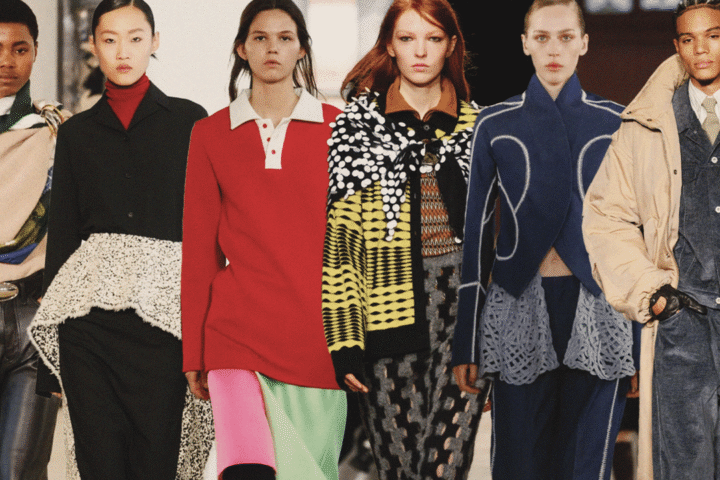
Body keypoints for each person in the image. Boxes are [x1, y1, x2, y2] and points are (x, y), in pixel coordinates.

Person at [452, 1, 636, 478]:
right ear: (525, 43)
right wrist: (465, 345)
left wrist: (638, 342)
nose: (554, 49)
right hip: (518, 302)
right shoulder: (494, 124)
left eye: (566, 37)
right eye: (542, 37)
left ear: (584, 43)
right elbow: (476, 238)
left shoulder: (618, 121)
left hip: (598, 305)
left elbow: (634, 236)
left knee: (586, 465)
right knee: (518, 464)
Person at [28, 1, 212, 479]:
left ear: (155, 42)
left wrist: (206, 336)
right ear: (93, 46)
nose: (123, 51)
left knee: (158, 464)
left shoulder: (191, 121)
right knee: (100, 467)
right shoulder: (76, 134)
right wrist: (51, 366)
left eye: (135, 38)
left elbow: (206, 229)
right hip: (88, 328)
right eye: (109, 40)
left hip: (164, 328)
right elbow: (63, 237)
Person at [322, 1, 487, 478]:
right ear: (390, 46)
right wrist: (345, 340)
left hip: (465, 317)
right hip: (387, 314)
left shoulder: (481, 127)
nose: (420, 51)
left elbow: (497, 237)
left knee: (446, 468)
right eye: (408, 38)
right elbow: (343, 245)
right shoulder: (356, 129)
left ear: (451, 46)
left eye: (433, 39)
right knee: (400, 468)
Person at [181, 1, 346, 479]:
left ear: (301, 49)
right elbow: (199, 252)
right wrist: (195, 351)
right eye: (260, 37)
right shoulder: (210, 134)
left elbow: (354, 246)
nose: (272, 48)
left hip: (317, 340)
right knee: (247, 469)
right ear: (242, 48)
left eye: (285, 38)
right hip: (235, 337)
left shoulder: (339, 128)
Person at [583, 1, 720, 478]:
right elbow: (606, 214)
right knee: (684, 468)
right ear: (677, 47)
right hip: (684, 324)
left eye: (714, 35)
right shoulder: (647, 124)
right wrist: (655, 295)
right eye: (688, 39)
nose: (701, 49)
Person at [0, 1, 65, 478]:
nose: (7, 61)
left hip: (34, 319)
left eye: (20, 49)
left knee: (20, 471)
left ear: (36, 52)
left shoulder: (60, 131)